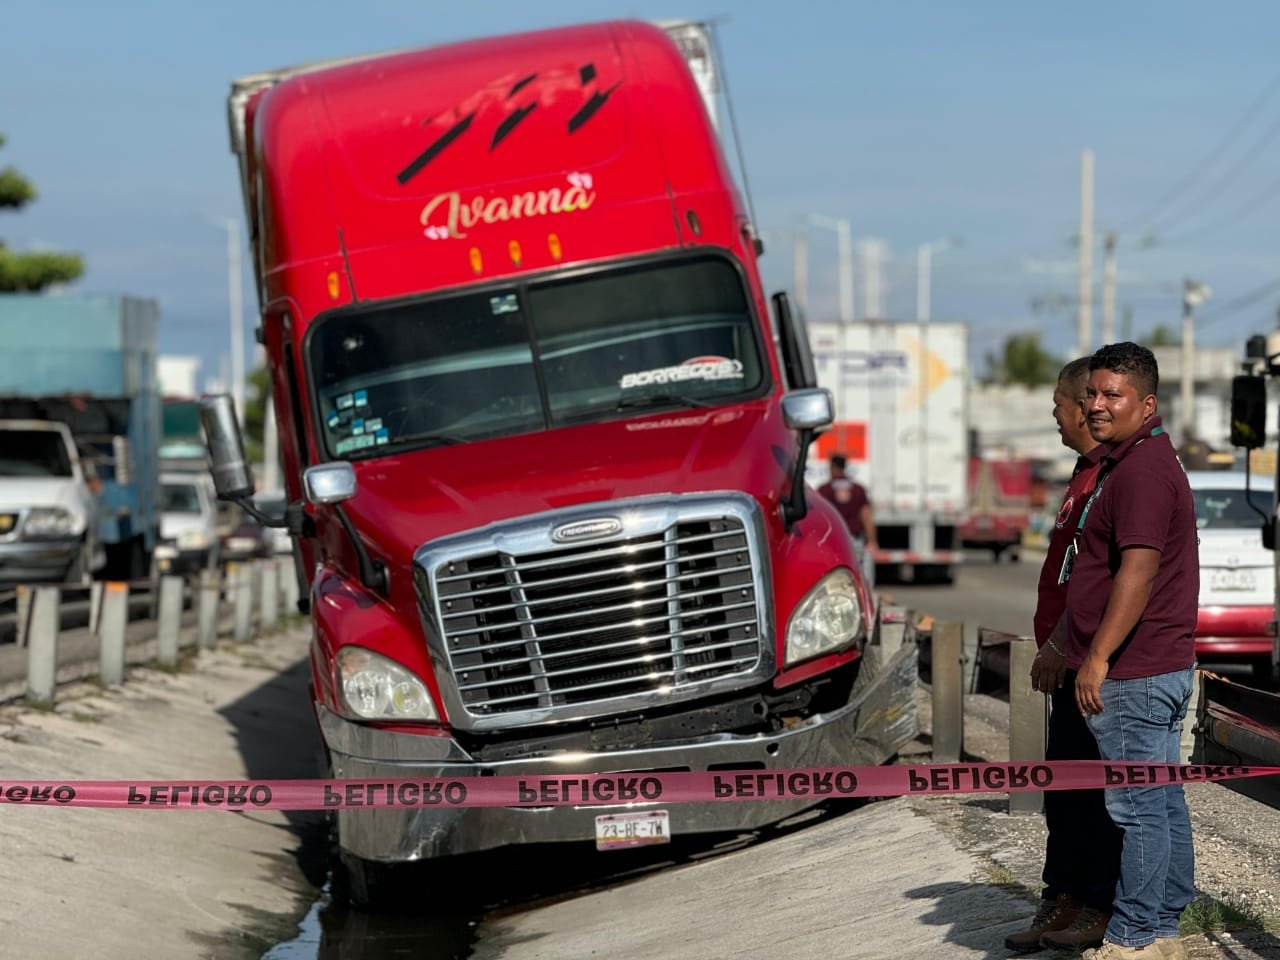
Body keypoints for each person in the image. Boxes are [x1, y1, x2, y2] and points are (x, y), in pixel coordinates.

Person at [1052, 342, 1198, 960]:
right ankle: (1163, 925)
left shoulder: (1140, 471)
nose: (1097, 405)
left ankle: (1136, 937)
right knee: (1158, 799)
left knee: (1137, 808)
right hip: (1147, 667)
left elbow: (1136, 571)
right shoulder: (1134, 461)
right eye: (1092, 394)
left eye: (1113, 395)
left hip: (1135, 673)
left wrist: (1098, 656)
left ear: (1147, 404)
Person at [1005, 358, 1123, 954]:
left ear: (1085, 405)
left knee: (1097, 795)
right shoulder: (1084, 472)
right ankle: (1062, 898)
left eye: (1059, 404)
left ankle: (1097, 905)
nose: (1054, 414)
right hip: (1067, 656)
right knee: (1065, 790)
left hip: (1090, 662)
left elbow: (1099, 580)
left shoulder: (1112, 475)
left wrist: (1060, 645)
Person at [817, 453, 878, 588]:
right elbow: (866, 516)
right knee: (858, 572)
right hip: (854, 538)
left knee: (833, 573)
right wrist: (872, 540)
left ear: (832, 467)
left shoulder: (824, 490)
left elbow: (819, 518)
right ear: (845, 467)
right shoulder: (858, 489)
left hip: (832, 539)